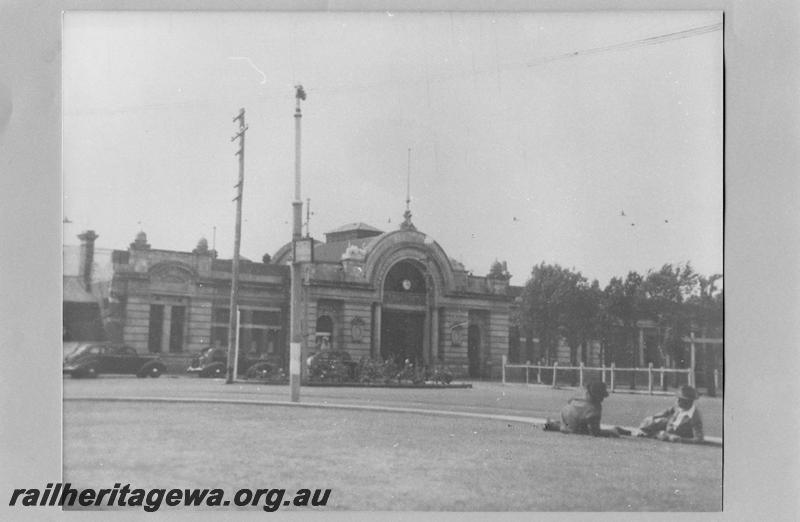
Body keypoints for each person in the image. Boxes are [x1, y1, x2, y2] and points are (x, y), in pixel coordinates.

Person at [543, 381, 623, 438]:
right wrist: (612, 432)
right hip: (575, 426)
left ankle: (555, 425)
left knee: (568, 425)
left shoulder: (581, 395)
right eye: (602, 396)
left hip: (566, 415)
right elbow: (595, 432)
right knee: (580, 429)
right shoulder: (593, 409)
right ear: (597, 396)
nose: (603, 399)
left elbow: (570, 401)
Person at [637, 385, 704, 443]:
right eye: (678, 398)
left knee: (661, 433)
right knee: (647, 423)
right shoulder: (678, 407)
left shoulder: (695, 418)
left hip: (676, 434)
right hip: (668, 428)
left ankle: (654, 434)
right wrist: (653, 417)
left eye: (680, 399)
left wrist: (680, 439)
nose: (677, 401)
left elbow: (699, 439)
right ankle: (654, 434)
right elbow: (667, 411)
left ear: (688, 401)